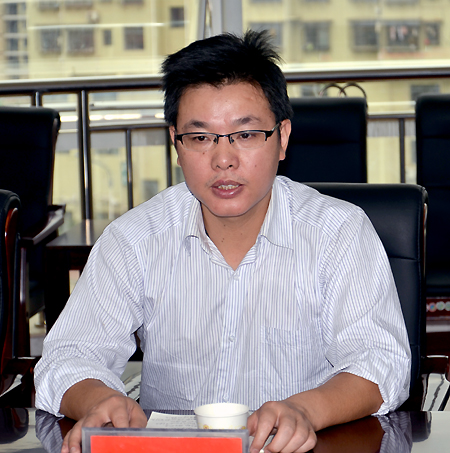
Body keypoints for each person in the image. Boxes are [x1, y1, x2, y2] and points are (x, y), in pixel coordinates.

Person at [35, 30, 411, 453]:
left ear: (282, 137)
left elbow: (380, 362)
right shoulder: (135, 239)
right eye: (200, 138)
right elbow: (68, 357)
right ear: (176, 143)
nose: (224, 159)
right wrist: (99, 401)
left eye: (246, 135)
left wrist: (305, 410)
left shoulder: (338, 232)